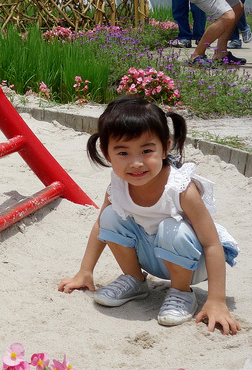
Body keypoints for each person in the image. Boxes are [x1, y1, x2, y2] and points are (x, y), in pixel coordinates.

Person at [57, 97, 240, 333]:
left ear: (165, 148)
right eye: (123, 152)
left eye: (146, 150)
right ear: (106, 153)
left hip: (194, 262)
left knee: (171, 227)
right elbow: (99, 227)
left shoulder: (181, 189)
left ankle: (182, 292)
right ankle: (134, 280)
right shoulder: (118, 187)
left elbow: (212, 244)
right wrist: (85, 271)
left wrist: (216, 300)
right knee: (110, 216)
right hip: (154, 255)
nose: (136, 163)